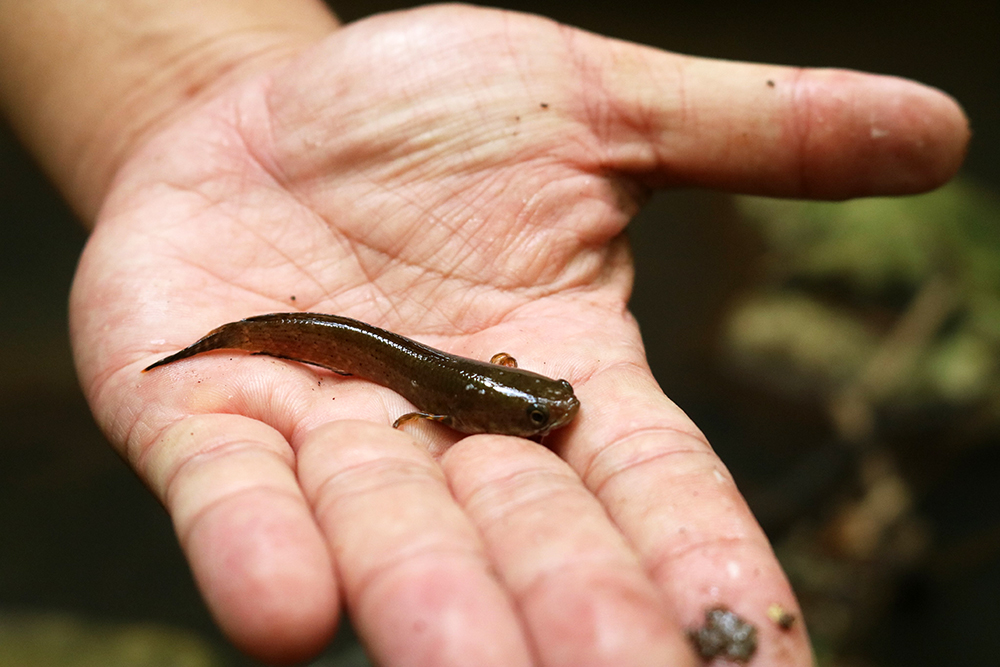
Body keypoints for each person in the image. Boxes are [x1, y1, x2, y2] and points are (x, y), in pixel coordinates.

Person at [0, 2, 969, 665]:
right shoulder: (440, 398)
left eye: (548, 406)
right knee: (292, 339)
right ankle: (234, 337)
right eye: (540, 407)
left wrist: (193, 88)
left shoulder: (464, 394)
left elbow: (475, 392)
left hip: (412, 364)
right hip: (375, 352)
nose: (557, 411)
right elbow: (438, 399)